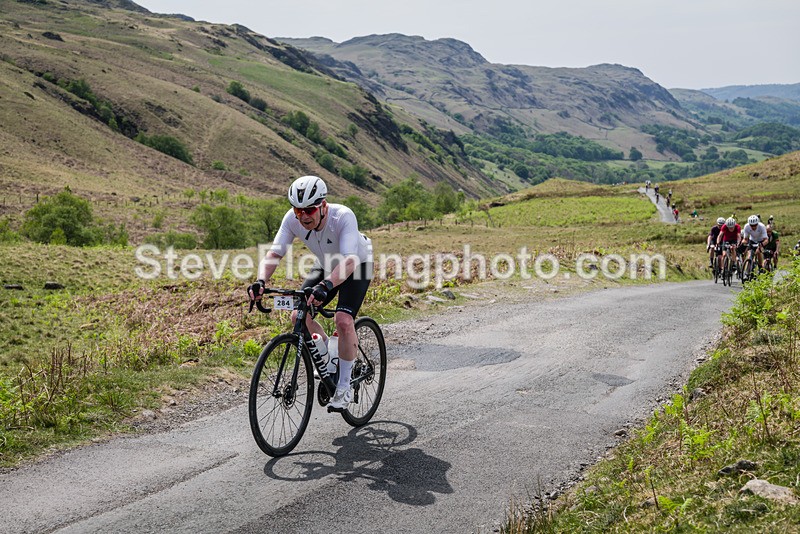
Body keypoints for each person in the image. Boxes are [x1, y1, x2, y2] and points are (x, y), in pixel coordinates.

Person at [248, 176, 373, 412]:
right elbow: (274, 255)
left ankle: (344, 387)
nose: (303, 216)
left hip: (357, 264)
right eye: (298, 210)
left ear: (323, 206)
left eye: (310, 210)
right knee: (297, 315)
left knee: (343, 320)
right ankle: (327, 353)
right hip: (326, 263)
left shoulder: (343, 216)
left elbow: (348, 261)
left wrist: (326, 286)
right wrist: (260, 281)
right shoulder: (292, 219)